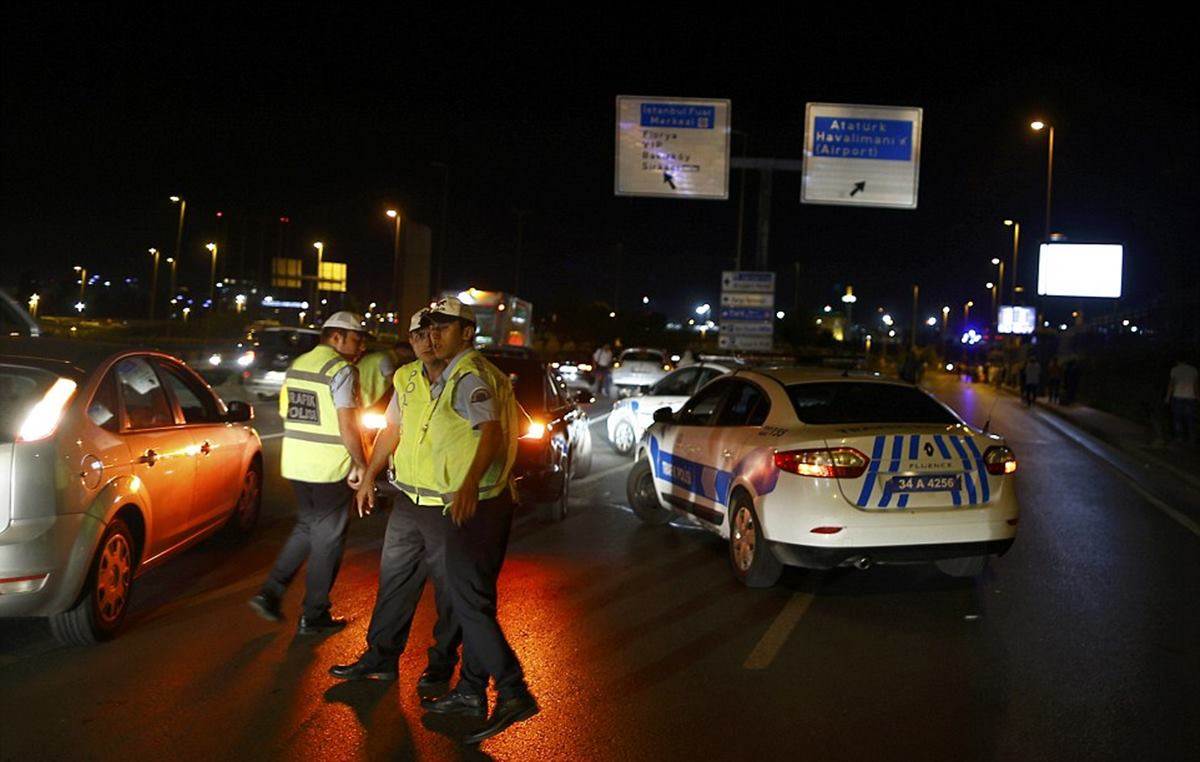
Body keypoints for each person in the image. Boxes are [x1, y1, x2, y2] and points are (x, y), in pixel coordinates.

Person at [413, 297, 538, 744]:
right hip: (489, 500)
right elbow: (514, 426)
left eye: (444, 327)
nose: (434, 335)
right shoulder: (482, 372)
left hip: (476, 504)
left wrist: (467, 483)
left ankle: (513, 691)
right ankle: (469, 691)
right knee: (476, 603)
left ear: (467, 332)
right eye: (430, 328)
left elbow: (492, 431)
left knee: (468, 603)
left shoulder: (467, 375)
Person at [329, 309, 462, 696]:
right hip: (408, 498)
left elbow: (489, 435)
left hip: (447, 503)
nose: (425, 342)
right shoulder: (406, 377)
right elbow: (392, 429)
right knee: (395, 581)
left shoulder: (468, 378)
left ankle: (441, 665)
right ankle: (380, 658)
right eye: (417, 335)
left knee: (449, 589)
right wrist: (370, 475)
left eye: (433, 334)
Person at [249, 311, 368, 634]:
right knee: (328, 540)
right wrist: (361, 463)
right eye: (356, 339)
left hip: (297, 463)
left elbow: (287, 410)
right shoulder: (341, 370)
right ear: (337, 337)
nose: (360, 346)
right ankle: (314, 614)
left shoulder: (298, 365)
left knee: (307, 526)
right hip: (329, 467)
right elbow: (347, 424)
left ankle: (270, 593)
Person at [1166, 357, 1198, 445]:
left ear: (1178, 361)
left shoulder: (1175, 369)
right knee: (1190, 418)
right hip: (1190, 396)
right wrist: (1197, 397)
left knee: (1177, 418)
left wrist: (1168, 397)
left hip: (1178, 396)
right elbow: (1196, 385)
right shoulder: (1193, 370)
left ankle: (1179, 438)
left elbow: (1171, 384)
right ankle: (1191, 438)